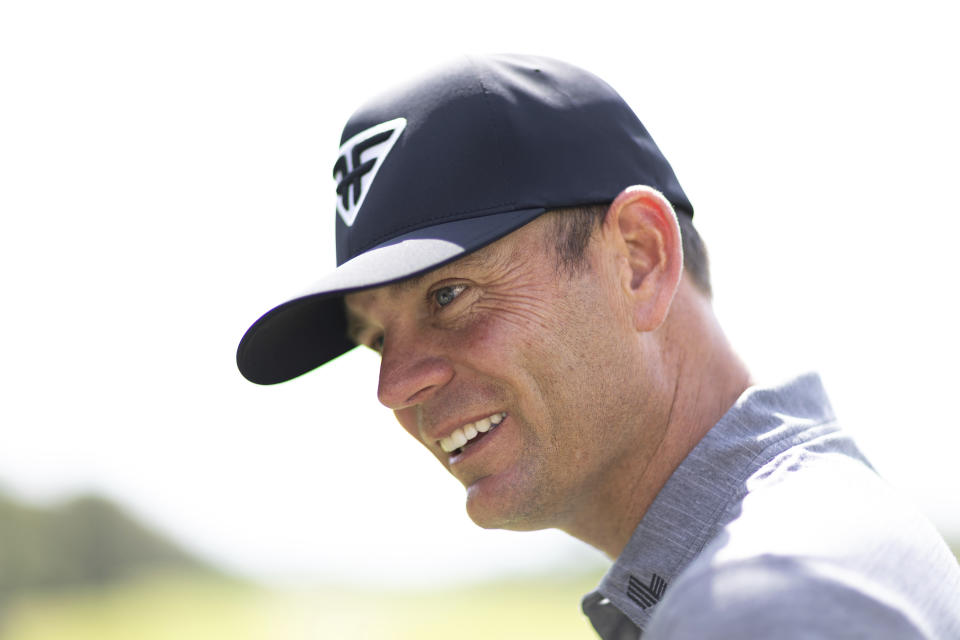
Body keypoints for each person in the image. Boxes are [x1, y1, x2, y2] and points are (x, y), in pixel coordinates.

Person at [236, 55, 960, 639]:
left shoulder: (765, 600)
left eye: (448, 295)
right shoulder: (800, 550)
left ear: (637, 260)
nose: (394, 386)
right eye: (376, 339)